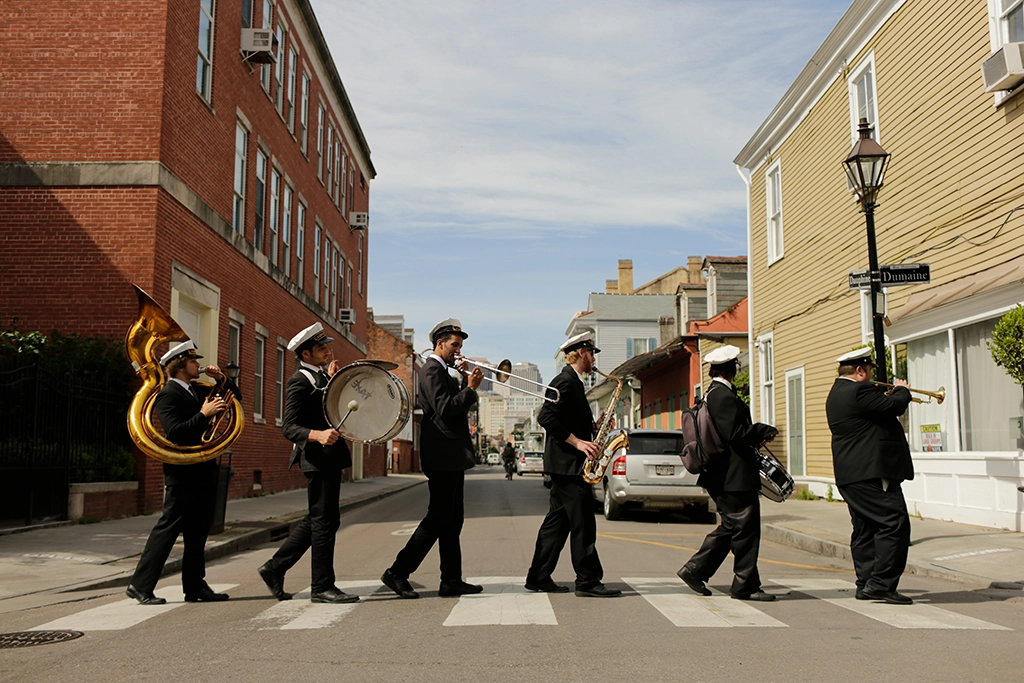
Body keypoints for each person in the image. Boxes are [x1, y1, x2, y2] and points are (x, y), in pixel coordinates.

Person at [381, 318, 484, 599]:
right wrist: (471, 388)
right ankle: (397, 572)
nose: (458, 351)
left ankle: (451, 580)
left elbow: (454, 407)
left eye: (460, 346)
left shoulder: (444, 372)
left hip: (452, 456)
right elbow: (446, 409)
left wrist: (464, 380)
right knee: (438, 518)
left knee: (453, 520)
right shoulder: (431, 371)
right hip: (442, 457)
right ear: (440, 344)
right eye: (454, 345)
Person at [126, 340, 236, 605]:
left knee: (198, 532)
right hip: (182, 473)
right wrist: (202, 414)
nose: (198, 364)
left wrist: (223, 380)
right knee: (167, 529)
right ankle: (140, 585)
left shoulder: (194, 390)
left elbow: (234, 400)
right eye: (193, 361)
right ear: (179, 366)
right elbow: (175, 432)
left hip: (203, 469)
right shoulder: (168, 394)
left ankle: (195, 586)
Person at [257, 322, 359, 604]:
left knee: (321, 519)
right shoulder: (299, 381)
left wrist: (332, 379)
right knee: (324, 522)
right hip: (317, 459)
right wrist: (317, 435)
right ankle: (322, 587)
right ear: (305, 354)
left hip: (329, 459)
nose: (327, 350)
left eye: (326, 346)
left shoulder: (321, 378)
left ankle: (274, 568)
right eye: (320, 348)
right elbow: (289, 427)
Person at [525, 331, 621, 598]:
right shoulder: (565, 382)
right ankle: (588, 581)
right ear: (580, 353)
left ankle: (538, 577)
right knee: (583, 524)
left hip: (565, 466)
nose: (593, 359)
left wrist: (595, 426)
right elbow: (547, 417)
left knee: (557, 524)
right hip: (569, 466)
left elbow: (568, 420)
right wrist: (578, 443)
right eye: (591, 353)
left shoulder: (574, 383)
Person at [678, 345, 778, 602]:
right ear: (733, 369)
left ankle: (699, 571)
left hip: (724, 475)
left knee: (734, 528)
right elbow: (735, 434)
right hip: (732, 477)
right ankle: (742, 586)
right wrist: (762, 430)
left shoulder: (712, 394)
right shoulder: (722, 397)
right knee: (745, 531)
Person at [825, 347, 915, 605]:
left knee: (864, 528)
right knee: (894, 522)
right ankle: (881, 585)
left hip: (850, 474)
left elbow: (875, 413)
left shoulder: (836, 393)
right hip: (871, 472)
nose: (872, 376)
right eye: (870, 371)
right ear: (860, 370)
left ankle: (865, 583)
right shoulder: (859, 390)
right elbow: (895, 406)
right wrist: (902, 389)